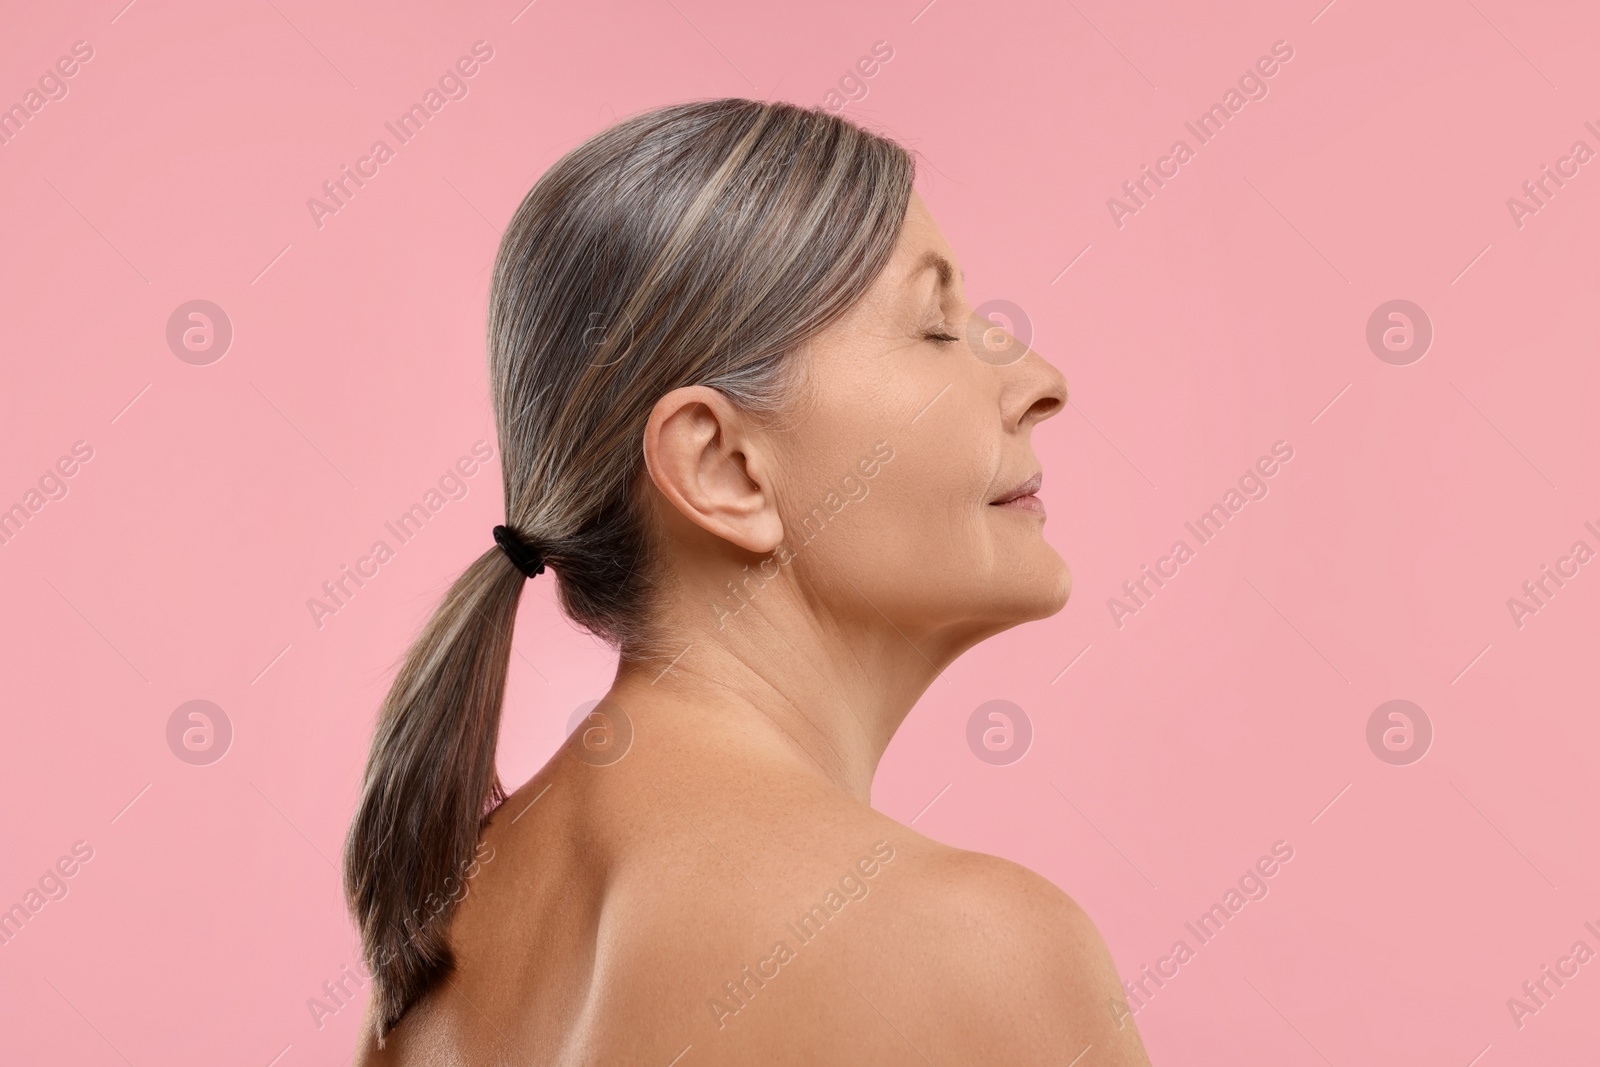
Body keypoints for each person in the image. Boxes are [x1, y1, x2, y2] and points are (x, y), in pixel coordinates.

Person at [344, 97, 1153, 1066]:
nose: (1042, 379)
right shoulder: (963, 943)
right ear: (722, 467)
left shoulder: (444, 946)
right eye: (936, 329)